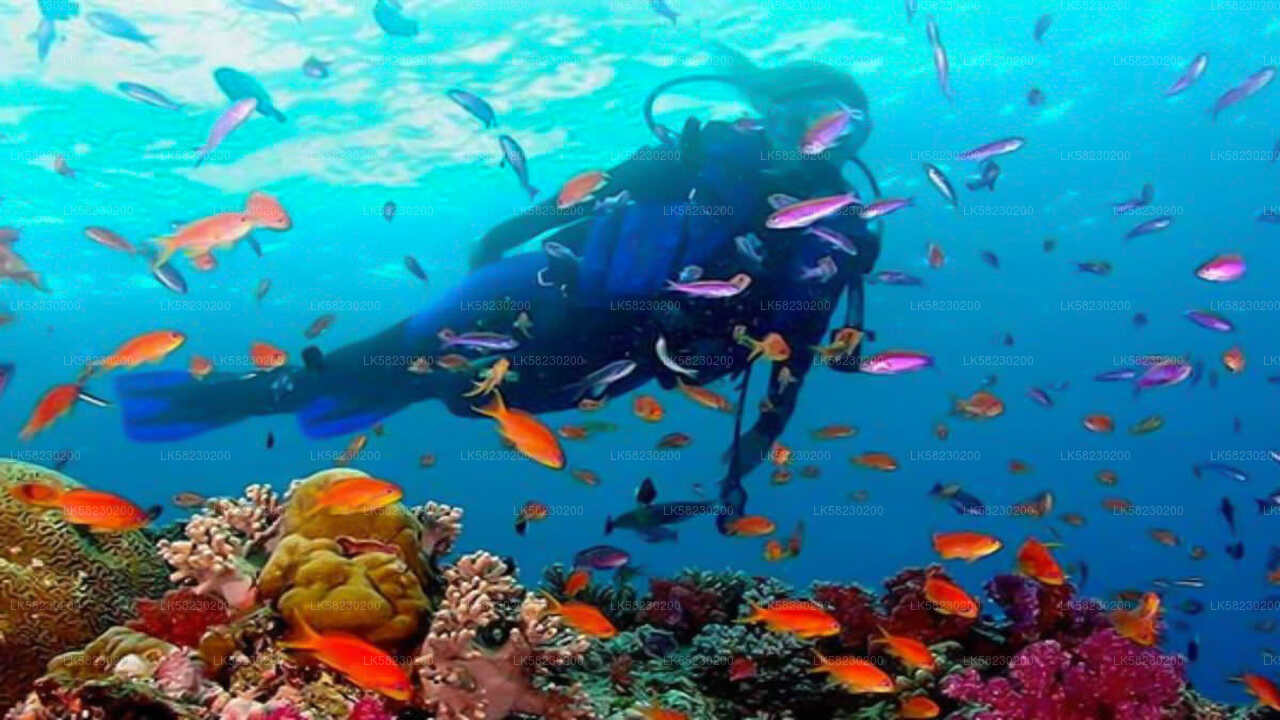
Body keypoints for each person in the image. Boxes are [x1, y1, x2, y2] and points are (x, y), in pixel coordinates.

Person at [114, 51, 883, 530]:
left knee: (448, 393)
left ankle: (277, 401)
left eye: (842, 127)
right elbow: (572, 205)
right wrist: (501, 243)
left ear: (855, 141)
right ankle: (215, 400)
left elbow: (800, 344)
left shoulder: (832, 230)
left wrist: (754, 445)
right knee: (393, 358)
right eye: (807, 115)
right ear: (771, 111)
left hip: (629, 349)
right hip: (547, 288)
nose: (820, 136)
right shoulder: (696, 152)